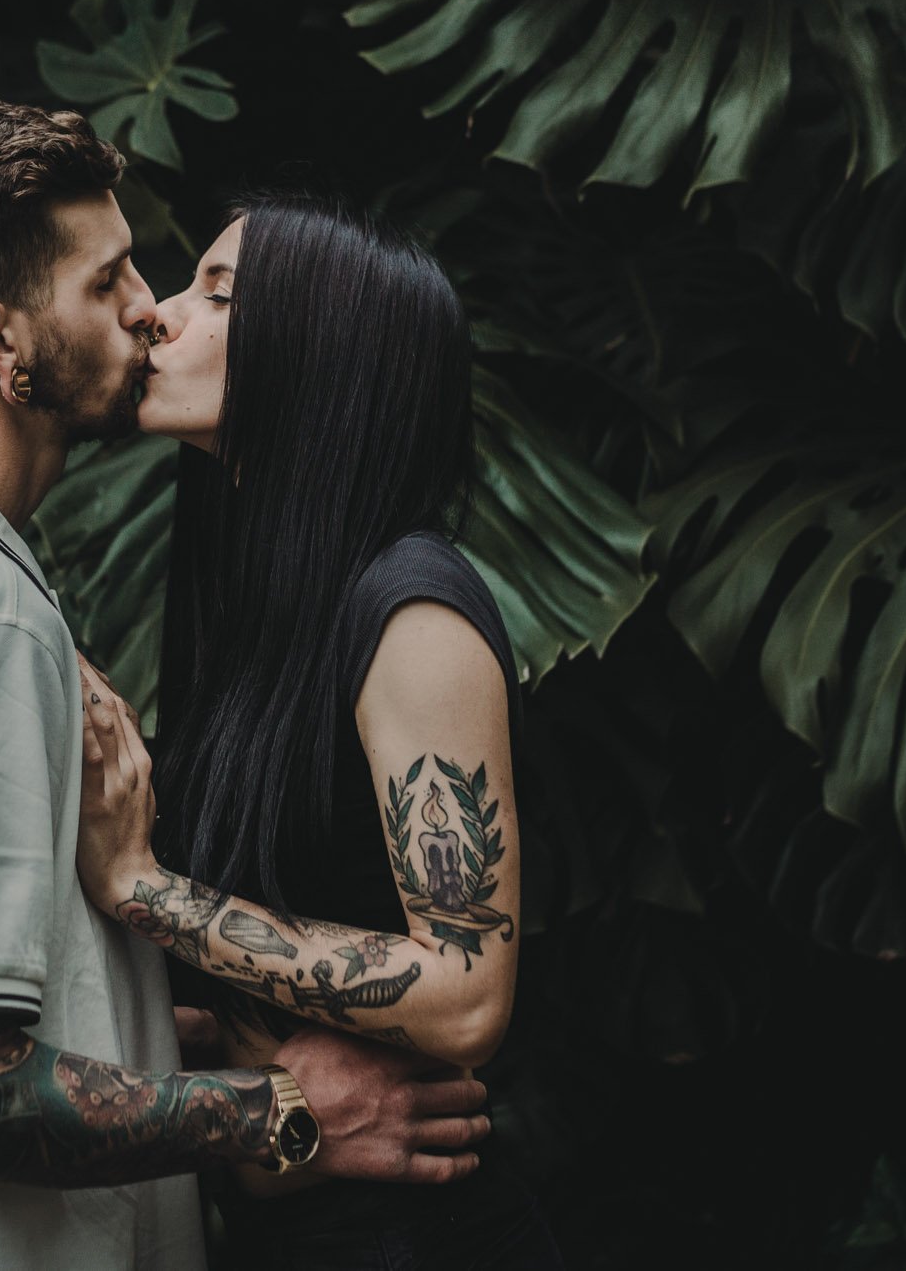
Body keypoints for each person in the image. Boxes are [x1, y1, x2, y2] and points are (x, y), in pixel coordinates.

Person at [0, 104, 494, 1271]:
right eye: (110, 280)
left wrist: (168, 988)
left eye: (196, 285)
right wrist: (272, 1111)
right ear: (1, 338)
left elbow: (11, 999)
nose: (152, 305)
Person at [76, 196, 567, 1269]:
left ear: (319, 352)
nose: (158, 316)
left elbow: (465, 988)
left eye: (218, 293)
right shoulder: (258, 607)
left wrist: (144, 888)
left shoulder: (411, 613)